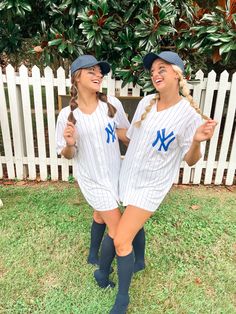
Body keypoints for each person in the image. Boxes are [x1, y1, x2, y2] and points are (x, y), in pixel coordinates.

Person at [94, 51, 217, 313]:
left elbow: (191, 160)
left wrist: (196, 140)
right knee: (131, 221)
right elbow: (132, 137)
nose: (155, 74)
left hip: (152, 185)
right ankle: (138, 262)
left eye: (162, 69)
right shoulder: (147, 101)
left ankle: (121, 298)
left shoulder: (188, 115)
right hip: (129, 176)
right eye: (152, 71)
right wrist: (100, 129)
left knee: (119, 238)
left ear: (177, 74)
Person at [55, 55, 145, 276]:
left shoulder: (112, 104)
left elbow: (124, 133)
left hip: (115, 173)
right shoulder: (68, 115)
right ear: (77, 77)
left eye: (100, 72)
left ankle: (93, 254)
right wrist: (70, 144)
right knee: (118, 230)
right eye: (91, 71)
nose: (99, 75)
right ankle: (105, 272)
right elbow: (67, 154)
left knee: (99, 215)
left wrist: (147, 138)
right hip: (91, 178)